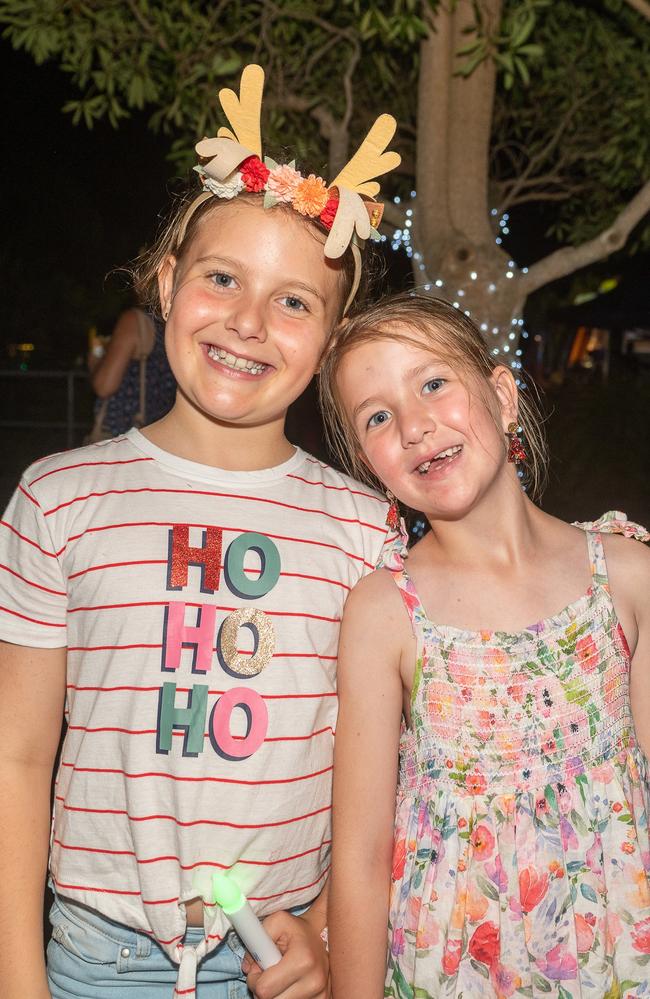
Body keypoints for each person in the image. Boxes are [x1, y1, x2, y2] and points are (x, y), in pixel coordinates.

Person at [0, 64, 400, 999]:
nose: (250, 322)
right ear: (167, 281)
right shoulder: (58, 500)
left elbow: (385, 777)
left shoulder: (367, 531)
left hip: (286, 960)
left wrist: (333, 932)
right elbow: (17, 754)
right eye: (222, 278)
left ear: (332, 340)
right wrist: (18, 977)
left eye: (295, 301)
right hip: (101, 959)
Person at [320, 293, 650, 998]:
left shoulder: (626, 575)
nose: (413, 425)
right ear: (366, 459)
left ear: (502, 395)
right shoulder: (384, 612)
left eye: (433, 383)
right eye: (377, 416)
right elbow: (358, 856)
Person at [87, 305, 176, 438]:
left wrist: (95, 362)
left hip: (124, 433)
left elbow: (104, 386)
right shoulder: (176, 323)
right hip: (162, 434)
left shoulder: (135, 322)